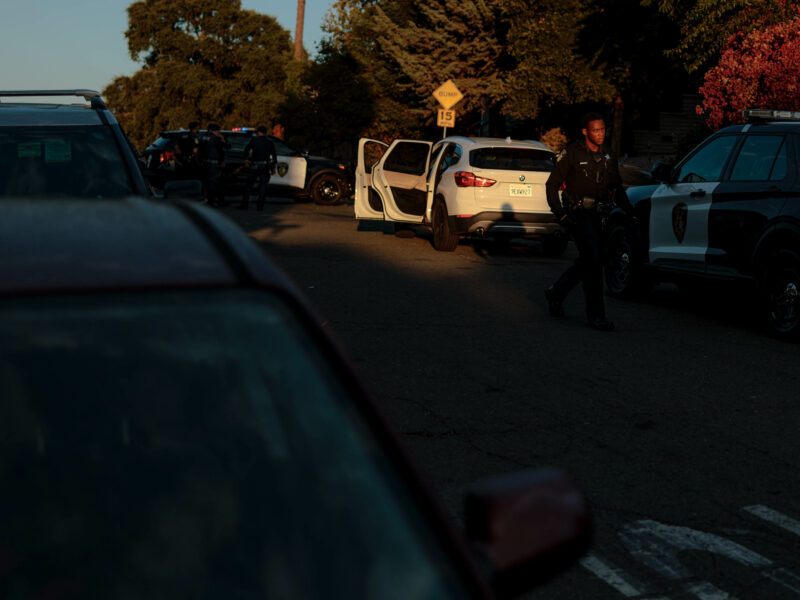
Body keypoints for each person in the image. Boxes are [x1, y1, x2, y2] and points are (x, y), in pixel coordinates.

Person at [544, 112, 634, 331]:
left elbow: (616, 187)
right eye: (596, 130)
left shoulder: (609, 156)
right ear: (585, 132)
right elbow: (551, 185)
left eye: (603, 129)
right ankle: (596, 315)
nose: (601, 134)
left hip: (601, 216)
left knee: (591, 260)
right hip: (579, 217)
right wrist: (562, 216)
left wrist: (630, 212)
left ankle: (556, 292)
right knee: (593, 262)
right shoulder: (571, 153)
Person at [238, 126, 277, 210]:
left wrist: (247, 160)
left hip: (254, 165)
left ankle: (245, 204)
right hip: (265, 166)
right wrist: (273, 167)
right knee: (263, 186)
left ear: (259, 132)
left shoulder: (254, 141)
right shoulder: (269, 142)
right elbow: (274, 156)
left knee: (249, 185)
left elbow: (246, 150)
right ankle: (260, 206)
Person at [198, 123, 230, 207]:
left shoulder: (202, 137)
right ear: (215, 131)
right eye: (217, 131)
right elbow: (225, 147)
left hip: (205, 163)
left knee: (207, 182)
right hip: (214, 163)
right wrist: (223, 139)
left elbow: (199, 151)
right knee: (214, 183)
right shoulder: (216, 139)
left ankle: (208, 199)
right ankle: (213, 201)